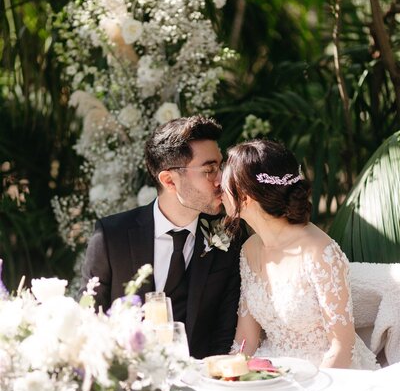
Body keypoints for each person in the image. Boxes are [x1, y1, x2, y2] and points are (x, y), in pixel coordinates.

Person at [80, 115, 243, 359]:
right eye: (209, 170)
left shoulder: (230, 235)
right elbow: (90, 321)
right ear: (169, 180)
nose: (221, 180)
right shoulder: (111, 237)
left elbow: (224, 333)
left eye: (220, 167)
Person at [221, 138, 379, 369]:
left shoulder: (320, 253)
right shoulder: (249, 249)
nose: (218, 187)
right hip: (272, 371)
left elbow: (342, 348)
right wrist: (229, 372)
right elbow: (247, 338)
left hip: (327, 374)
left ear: (245, 197)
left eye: (224, 182)